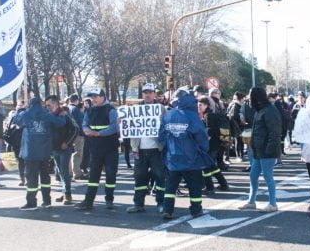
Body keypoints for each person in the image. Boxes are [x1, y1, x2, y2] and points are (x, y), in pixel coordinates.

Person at [158, 87, 211, 219]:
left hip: (173, 158)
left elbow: (161, 136)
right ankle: (196, 209)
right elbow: (201, 137)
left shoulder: (168, 115)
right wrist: (203, 150)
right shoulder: (193, 117)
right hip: (191, 158)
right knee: (194, 186)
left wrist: (168, 150)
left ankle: (167, 209)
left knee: (170, 186)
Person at [11, 97, 66, 210]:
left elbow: (15, 120)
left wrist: (20, 110)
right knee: (45, 177)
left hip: (30, 152)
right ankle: (47, 201)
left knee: (31, 178)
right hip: (45, 152)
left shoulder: (26, 114)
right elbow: (60, 123)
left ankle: (31, 202)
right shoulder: (46, 114)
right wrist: (62, 115)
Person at [75, 88, 120, 210]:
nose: (93, 99)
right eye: (92, 96)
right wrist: (86, 130)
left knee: (111, 174)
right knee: (93, 175)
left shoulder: (110, 110)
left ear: (102, 97)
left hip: (110, 147)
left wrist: (98, 133)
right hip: (95, 148)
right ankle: (88, 201)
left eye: (96, 96)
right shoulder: (89, 110)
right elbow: (84, 124)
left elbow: (114, 127)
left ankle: (109, 200)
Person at [238, 87, 281, 212]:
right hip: (259, 150)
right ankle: (251, 202)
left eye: (250, 95)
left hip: (266, 151)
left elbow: (275, 133)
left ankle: (273, 204)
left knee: (268, 175)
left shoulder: (269, 111)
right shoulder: (261, 110)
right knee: (253, 175)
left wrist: (269, 150)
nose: (248, 98)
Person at [127, 83, 167, 213]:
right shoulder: (135, 109)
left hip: (157, 149)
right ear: (142, 94)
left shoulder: (161, 109)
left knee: (160, 177)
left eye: (150, 92)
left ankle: (161, 203)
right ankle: (138, 204)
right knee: (139, 177)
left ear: (154, 94)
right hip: (139, 150)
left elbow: (167, 124)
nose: (147, 94)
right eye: (145, 92)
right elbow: (128, 126)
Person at [44, 95, 80, 204]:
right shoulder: (49, 115)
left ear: (55, 103)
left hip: (64, 148)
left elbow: (75, 129)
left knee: (64, 171)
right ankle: (64, 192)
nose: (47, 107)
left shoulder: (65, 114)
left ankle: (67, 194)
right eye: (46, 105)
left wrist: (67, 143)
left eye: (49, 105)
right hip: (54, 148)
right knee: (60, 172)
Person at [197, 96, 230, 194]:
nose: (199, 107)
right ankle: (223, 184)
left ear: (206, 105)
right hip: (216, 143)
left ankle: (209, 187)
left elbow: (210, 131)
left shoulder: (208, 116)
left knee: (206, 165)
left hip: (212, 144)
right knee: (211, 165)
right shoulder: (210, 114)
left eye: (201, 105)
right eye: (198, 105)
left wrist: (204, 142)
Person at [66, 94, 86, 181]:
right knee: (78, 153)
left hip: (68, 134)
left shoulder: (66, 108)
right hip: (77, 133)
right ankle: (77, 173)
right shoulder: (75, 109)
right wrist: (83, 133)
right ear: (77, 100)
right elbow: (80, 122)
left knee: (69, 154)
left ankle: (69, 172)